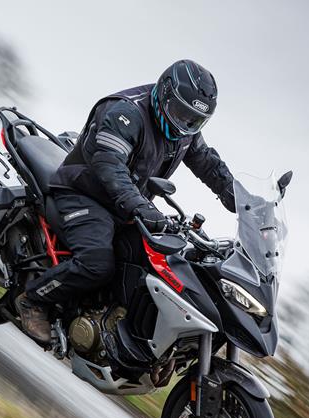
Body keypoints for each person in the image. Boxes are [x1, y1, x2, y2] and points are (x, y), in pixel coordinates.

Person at [17, 59, 238, 345]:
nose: (185, 124)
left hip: (126, 205)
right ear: (165, 94)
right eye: (181, 113)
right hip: (84, 192)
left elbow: (208, 164)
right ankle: (33, 300)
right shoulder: (126, 113)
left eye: (194, 120)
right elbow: (110, 166)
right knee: (97, 262)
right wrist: (143, 207)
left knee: (160, 265)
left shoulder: (185, 133)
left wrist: (239, 198)